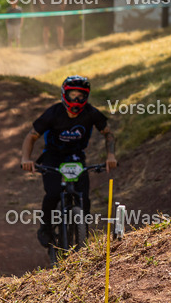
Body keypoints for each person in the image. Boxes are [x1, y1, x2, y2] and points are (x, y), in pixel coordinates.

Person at [20, 76, 117, 248]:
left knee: (84, 198)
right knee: (53, 193)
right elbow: (32, 136)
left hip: (75, 156)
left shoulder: (91, 113)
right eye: (73, 95)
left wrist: (110, 155)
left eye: (81, 96)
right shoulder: (53, 113)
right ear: (65, 95)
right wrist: (26, 159)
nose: (77, 100)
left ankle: (82, 237)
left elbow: (108, 133)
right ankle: (46, 228)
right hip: (53, 156)